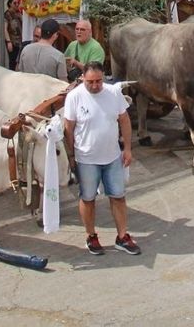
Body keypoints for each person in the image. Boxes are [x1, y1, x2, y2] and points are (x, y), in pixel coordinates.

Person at [63, 64, 141, 255]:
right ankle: (91, 236)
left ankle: (122, 236)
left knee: (118, 196)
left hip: (112, 157)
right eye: (91, 82)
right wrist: (71, 156)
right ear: (83, 79)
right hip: (86, 159)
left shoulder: (113, 93)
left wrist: (128, 149)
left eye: (99, 81)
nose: (96, 86)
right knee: (88, 198)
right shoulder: (74, 97)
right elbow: (69, 128)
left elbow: (124, 120)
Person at [3, 0, 23, 70]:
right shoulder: (7, 14)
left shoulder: (19, 13)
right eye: (14, 3)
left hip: (20, 40)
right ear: (10, 4)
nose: (17, 5)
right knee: (13, 60)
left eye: (18, 2)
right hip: (13, 41)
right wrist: (8, 42)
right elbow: (5, 29)